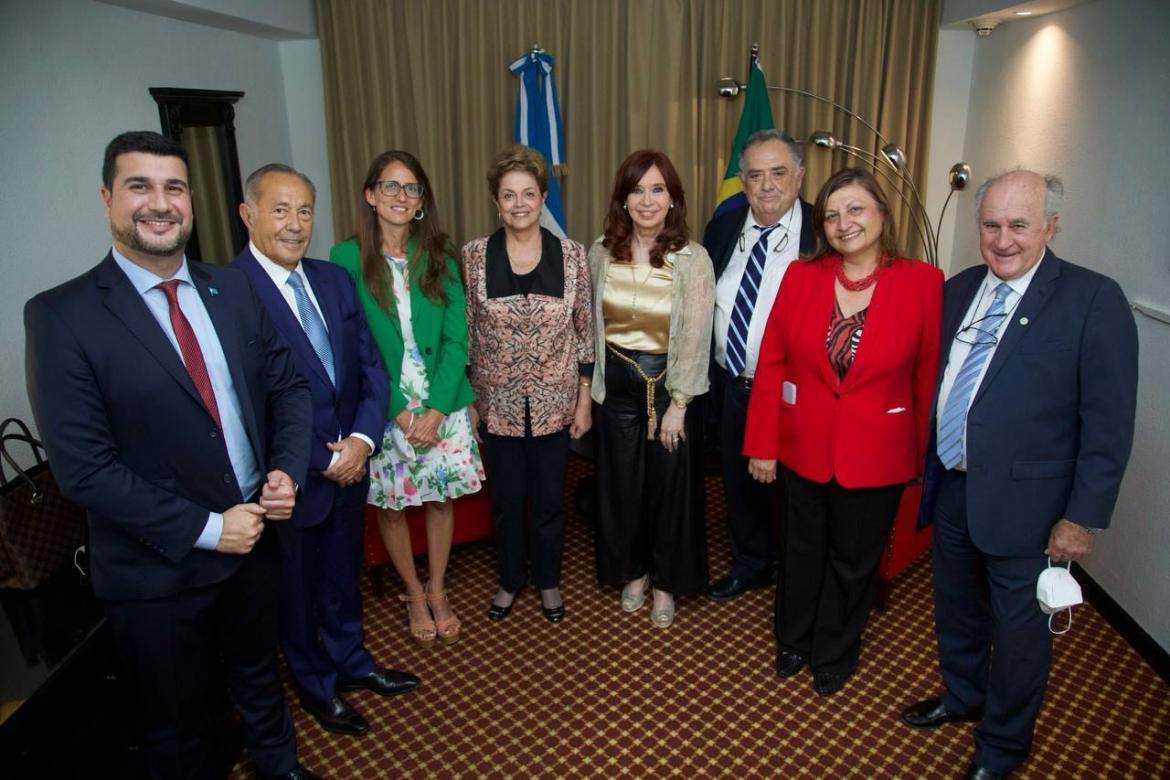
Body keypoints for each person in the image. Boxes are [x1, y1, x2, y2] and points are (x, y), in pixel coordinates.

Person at [24, 131, 320, 779]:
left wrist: (286, 472)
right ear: (107, 200)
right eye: (140, 186)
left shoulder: (233, 290)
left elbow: (290, 388)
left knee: (258, 679)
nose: (159, 203)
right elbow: (83, 468)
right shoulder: (61, 316)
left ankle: (279, 766)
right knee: (175, 727)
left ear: (191, 202)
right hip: (154, 570)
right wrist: (212, 529)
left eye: (174, 187)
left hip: (255, 542)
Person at [901, 170, 1138, 779]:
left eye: (1018, 225)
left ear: (1050, 227)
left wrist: (1081, 518)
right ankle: (963, 695)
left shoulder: (1093, 300)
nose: (1002, 240)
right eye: (991, 225)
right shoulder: (959, 290)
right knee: (955, 610)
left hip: (1032, 511)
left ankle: (1003, 744)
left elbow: (1108, 424)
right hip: (954, 488)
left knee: (1020, 635)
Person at [232, 164, 420, 737]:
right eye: (280, 210)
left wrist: (362, 442)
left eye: (305, 211)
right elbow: (247, 400)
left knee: (342, 575)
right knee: (297, 587)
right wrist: (322, 458)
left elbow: (371, 367)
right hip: (292, 475)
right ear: (249, 214)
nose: (295, 225)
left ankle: (352, 661)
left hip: (353, 461)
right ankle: (316, 685)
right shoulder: (229, 292)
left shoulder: (334, 279)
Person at [744, 167, 943, 696]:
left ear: (880, 212)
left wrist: (922, 458)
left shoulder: (924, 282)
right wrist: (763, 444)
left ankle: (835, 646)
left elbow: (927, 376)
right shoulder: (801, 276)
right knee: (801, 546)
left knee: (854, 558)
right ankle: (794, 637)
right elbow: (773, 363)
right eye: (831, 214)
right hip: (803, 443)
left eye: (855, 209)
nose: (842, 222)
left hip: (879, 449)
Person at [331, 150, 484, 646]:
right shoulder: (346, 258)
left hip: (443, 397)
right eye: (390, 186)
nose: (401, 196)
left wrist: (438, 407)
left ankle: (438, 589)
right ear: (371, 195)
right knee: (392, 504)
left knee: (440, 500)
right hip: (383, 403)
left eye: (411, 187)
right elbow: (353, 342)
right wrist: (397, 409)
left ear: (422, 200)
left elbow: (459, 335)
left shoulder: (440, 251)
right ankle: (413, 593)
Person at [462, 146, 594, 623]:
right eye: (508, 195)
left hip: (555, 402)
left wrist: (583, 399)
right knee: (505, 500)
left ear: (542, 199)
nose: (519, 204)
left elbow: (584, 331)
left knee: (547, 500)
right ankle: (510, 579)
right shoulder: (474, 256)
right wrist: (471, 400)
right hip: (494, 402)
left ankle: (549, 581)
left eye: (529, 194)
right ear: (496, 203)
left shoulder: (573, 256)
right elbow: (467, 330)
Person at [589, 149, 715, 628]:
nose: (647, 200)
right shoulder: (599, 252)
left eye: (657, 189)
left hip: (669, 391)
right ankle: (634, 573)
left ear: (673, 198)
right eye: (637, 189)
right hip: (615, 393)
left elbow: (698, 335)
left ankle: (666, 583)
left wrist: (679, 403)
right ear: (623, 199)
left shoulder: (693, 258)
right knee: (622, 489)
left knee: (670, 490)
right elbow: (588, 329)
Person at [702, 128, 816, 602]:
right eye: (755, 175)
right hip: (733, 383)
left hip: (797, 390)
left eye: (778, 172)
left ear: (800, 177)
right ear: (742, 182)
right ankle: (751, 564)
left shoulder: (821, 234)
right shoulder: (724, 227)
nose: (766, 185)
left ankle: (799, 574)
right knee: (739, 482)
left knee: (798, 491)